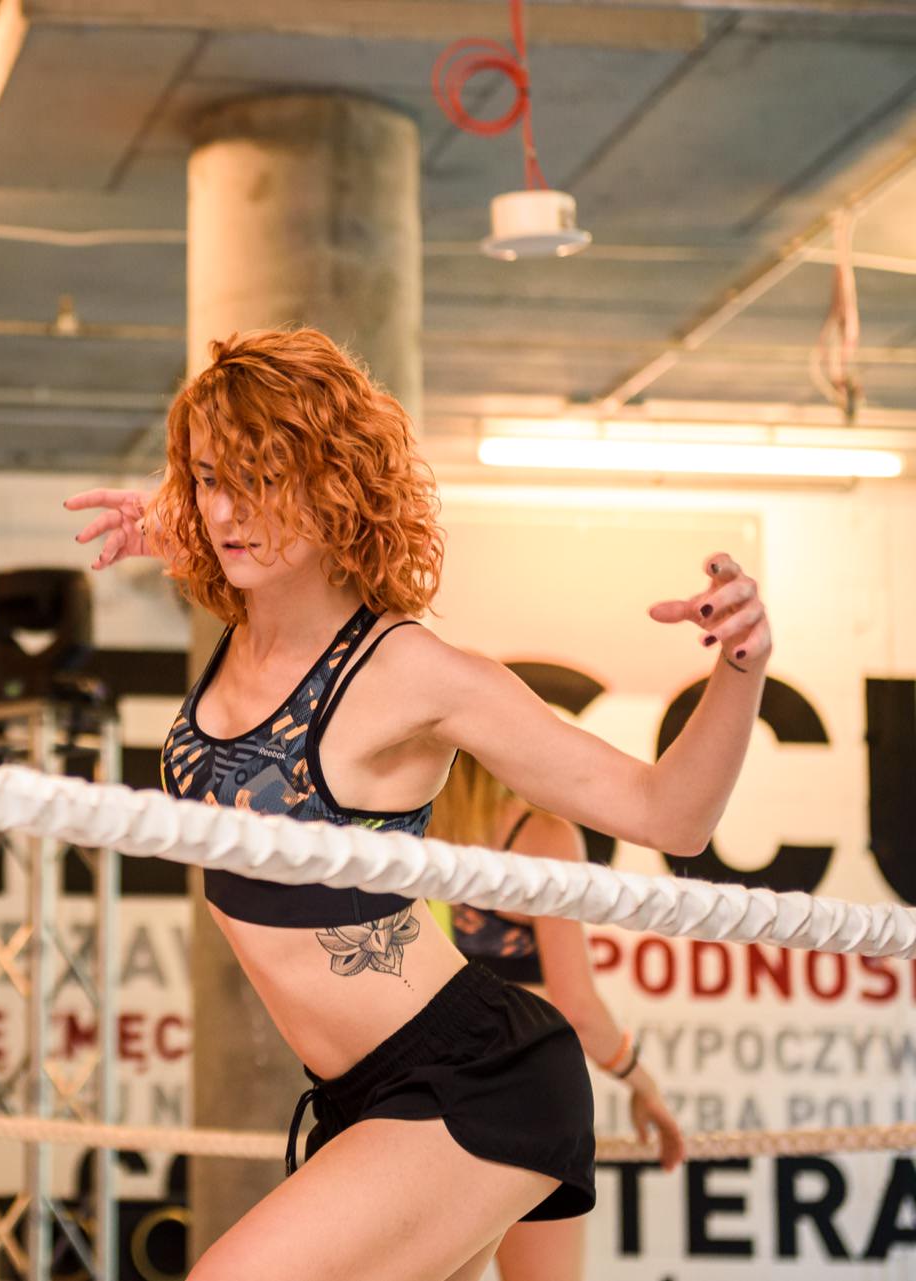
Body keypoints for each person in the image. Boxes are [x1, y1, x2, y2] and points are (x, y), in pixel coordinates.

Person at [66, 327, 767, 1281]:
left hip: (472, 1076)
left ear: (333, 482)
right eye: (206, 478)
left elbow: (668, 815)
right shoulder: (237, 608)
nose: (229, 509)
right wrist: (181, 527)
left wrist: (741, 666)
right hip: (362, 1095)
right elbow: (231, 544)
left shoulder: (409, 672)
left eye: (259, 479)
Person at [430, 751, 686, 1280]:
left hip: (431, 1095)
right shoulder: (539, 834)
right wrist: (643, 1082)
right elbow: (576, 1004)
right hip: (524, 1094)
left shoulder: (413, 834)